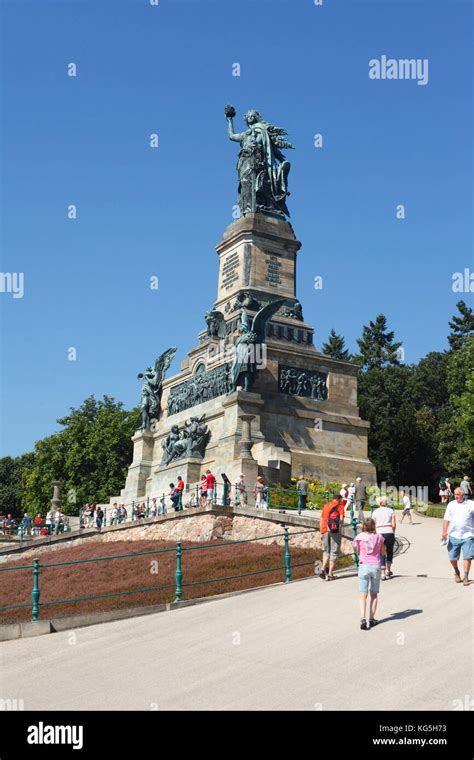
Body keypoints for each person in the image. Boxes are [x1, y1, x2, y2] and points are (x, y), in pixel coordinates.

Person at [353, 517, 386, 630]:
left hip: (364, 566)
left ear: (363, 526)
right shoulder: (379, 537)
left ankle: (363, 618)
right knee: (374, 594)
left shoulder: (359, 537)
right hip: (375, 566)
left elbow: (357, 551)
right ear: (374, 526)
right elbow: (383, 552)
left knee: (363, 594)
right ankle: (371, 619)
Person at [442, 487, 473, 586]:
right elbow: (446, 519)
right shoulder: (451, 505)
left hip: (468, 535)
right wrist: (444, 532)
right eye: (455, 494)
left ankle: (465, 577)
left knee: (467, 557)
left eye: (458, 494)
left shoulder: (470, 504)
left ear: (463, 495)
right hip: (453, 535)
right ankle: (456, 571)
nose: (456, 496)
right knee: (452, 558)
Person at [319, 494, 345, 580]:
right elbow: (341, 520)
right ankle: (330, 574)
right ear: (339, 499)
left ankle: (322, 568)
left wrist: (321, 531)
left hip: (325, 529)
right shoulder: (340, 507)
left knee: (326, 550)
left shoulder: (326, 505)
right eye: (341, 499)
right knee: (334, 551)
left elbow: (322, 518)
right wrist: (340, 527)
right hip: (335, 531)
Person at [372, 496, 396, 580]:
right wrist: (393, 532)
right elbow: (393, 525)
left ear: (379, 503)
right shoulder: (390, 511)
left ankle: (382, 573)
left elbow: (373, 525)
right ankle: (388, 571)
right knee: (389, 551)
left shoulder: (375, 512)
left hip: (379, 532)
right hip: (389, 531)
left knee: (381, 552)